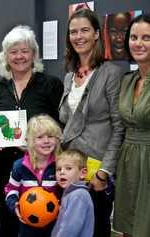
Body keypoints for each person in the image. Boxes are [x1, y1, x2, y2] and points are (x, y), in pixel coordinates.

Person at [0, 25, 63, 237]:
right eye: (14, 51)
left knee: (41, 216)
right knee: (7, 213)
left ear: (34, 54)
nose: (19, 56)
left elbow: (59, 126)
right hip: (3, 164)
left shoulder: (50, 85)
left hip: (40, 166)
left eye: (25, 50)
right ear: (5, 56)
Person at [59, 9, 124, 237]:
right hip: (71, 173)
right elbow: (67, 124)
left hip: (96, 174)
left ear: (97, 34)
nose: (78, 36)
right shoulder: (69, 77)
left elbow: (119, 128)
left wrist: (104, 172)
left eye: (84, 30)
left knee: (96, 230)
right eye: (73, 32)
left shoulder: (111, 73)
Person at [113, 13, 150, 237]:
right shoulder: (127, 80)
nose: (138, 43)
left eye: (146, 37)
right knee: (127, 227)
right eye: (134, 37)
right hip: (127, 162)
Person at [4, 115, 62, 237]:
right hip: (27, 225)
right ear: (30, 141)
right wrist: (14, 205)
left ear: (57, 139)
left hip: (54, 224)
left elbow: (65, 190)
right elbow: (11, 189)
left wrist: (62, 205)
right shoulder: (19, 166)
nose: (46, 141)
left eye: (50, 136)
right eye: (40, 137)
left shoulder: (60, 165)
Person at [51, 149, 94, 237]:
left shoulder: (79, 195)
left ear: (82, 173)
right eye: (59, 169)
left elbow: (70, 229)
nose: (62, 172)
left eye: (68, 168)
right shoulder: (71, 193)